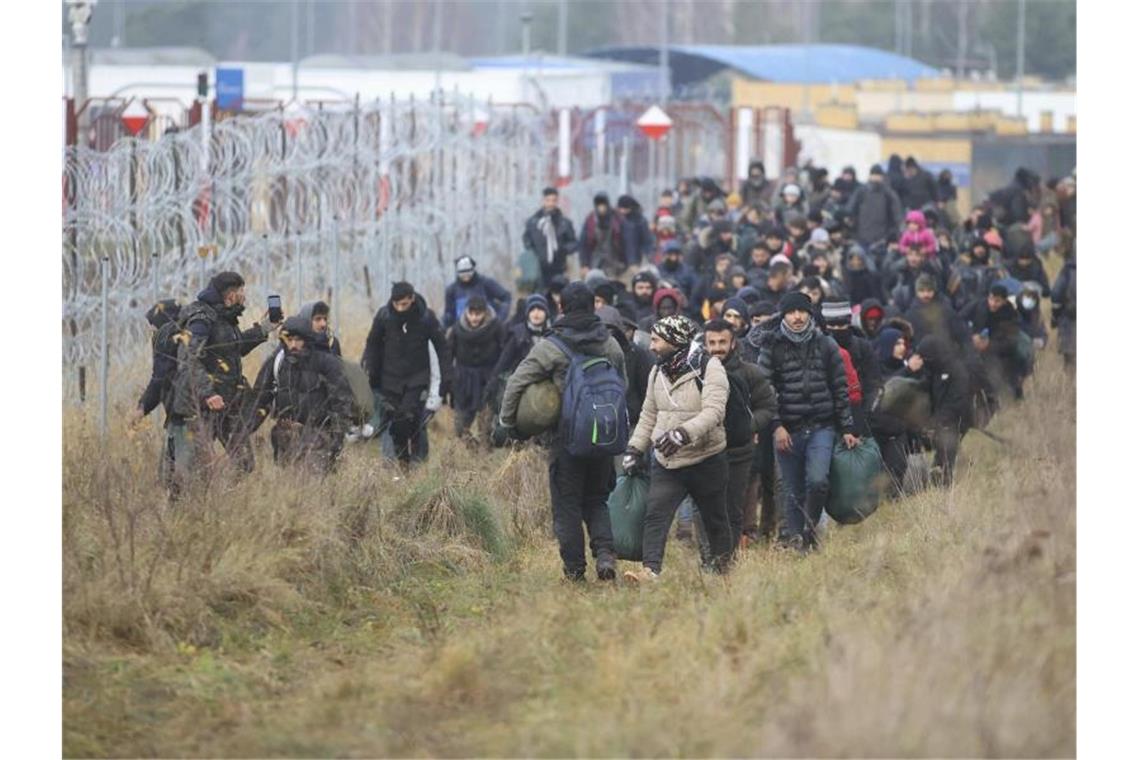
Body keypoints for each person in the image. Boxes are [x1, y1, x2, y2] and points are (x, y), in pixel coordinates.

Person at [495, 282, 626, 582]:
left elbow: (516, 383)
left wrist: (508, 424)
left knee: (567, 506)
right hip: (603, 437)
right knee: (596, 500)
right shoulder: (610, 344)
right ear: (594, 306)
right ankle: (605, 555)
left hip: (566, 441)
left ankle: (575, 571)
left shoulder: (551, 347)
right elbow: (622, 387)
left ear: (561, 307)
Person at [622, 315, 733, 582]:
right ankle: (650, 572)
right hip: (667, 461)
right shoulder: (657, 372)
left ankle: (722, 572)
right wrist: (635, 449)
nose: (652, 346)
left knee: (715, 519)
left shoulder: (711, 368)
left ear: (675, 341)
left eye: (657, 340)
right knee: (656, 514)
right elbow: (649, 414)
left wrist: (684, 433)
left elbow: (715, 411)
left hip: (706, 458)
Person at [756, 292, 858, 552]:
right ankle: (796, 542)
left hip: (821, 426)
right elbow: (764, 390)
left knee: (817, 481)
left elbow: (839, 387)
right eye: (791, 312)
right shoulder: (772, 347)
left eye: (802, 311)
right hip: (787, 429)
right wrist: (776, 426)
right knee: (792, 490)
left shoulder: (825, 344)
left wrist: (847, 427)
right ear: (784, 315)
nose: (797, 317)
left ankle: (810, 530)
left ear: (810, 314)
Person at [169, 272, 278, 489]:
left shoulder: (225, 318)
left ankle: (226, 502)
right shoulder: (202, 319)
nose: (244, 296)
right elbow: (188, 358)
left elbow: (234, 348)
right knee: (195, 471)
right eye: (241, 291)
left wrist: (265, 327)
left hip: (227, 403)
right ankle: (187, 512)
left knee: (244, 462)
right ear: (230, 295)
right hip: (200, 405)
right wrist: (208, 393)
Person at [703, 319, 778, 550]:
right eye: (712, 342)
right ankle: (708, 554)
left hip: (739, 452)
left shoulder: (750, 373)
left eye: (722, 342)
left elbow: (768, 406)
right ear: (705, 345)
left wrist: (748, 425)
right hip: (704, 452)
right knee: (705, 505)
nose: (717, 347)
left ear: (733, 343)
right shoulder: (698, 374)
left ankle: (729, 556)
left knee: (734, 507)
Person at [362, 282, 451, 466]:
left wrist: (445, 380)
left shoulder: (426, 318)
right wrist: (369, 371)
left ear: (411, 299)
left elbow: (442, 348)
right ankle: (393, 462)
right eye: (397, 304)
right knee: (391, 418)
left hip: (417, 378)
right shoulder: (384, 316)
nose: (400, 308)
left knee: (414, 418)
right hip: (390, 378)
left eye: (404, 304)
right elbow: (372, 344)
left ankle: (418, 461)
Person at [252, 316, 355, 473]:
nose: (293, 345)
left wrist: (335, 444)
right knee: (287, 488)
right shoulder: (277, 362)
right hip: (284, 436)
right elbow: (260, 398)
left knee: (311, 484)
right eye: (289, 339)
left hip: (319, 436)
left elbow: (343, 404)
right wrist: (245, 429)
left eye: (298, 340)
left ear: (307, 340)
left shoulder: (328, 363)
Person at [905, 335, 972, 486]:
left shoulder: (957, 371)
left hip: (954, 422)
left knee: (946, 454)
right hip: (935, 419)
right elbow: (922, 388)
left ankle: (944, 483)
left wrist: (937, 422)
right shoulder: (932, 370)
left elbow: (956, 401)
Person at [447, 296, 506, 444]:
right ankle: (473, 449)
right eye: (471, 313)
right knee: (460, 427)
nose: (474, 317)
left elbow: (505, 352)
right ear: (466, 312)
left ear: (485, 313)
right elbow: (448, 355)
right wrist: (450, 379)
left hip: (488, 379)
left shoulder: (497, 327)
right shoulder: (456, 329)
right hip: (463, 380)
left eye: (478, 314)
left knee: (485, 427)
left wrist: (498, 376)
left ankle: (484, 462)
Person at [821, 300, 882, 436]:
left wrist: (864, 414)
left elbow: (873, 383)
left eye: (841, 324)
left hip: (859, 414)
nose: (837, 329)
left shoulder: (863, 347)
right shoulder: (817, 348)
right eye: (832, 325)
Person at [969, 283, 1027, 400]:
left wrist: (988, 345)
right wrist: (971, 336)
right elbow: (958, 319)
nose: (993, 303)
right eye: (991, 299)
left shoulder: (1011, 315)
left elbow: (1011, 344)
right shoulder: (979, 305)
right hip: (978, 351)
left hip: (1003, 356)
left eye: (997, 301)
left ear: (1005, 301)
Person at [523, 186, 578, 289]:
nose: (551, 204)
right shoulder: (533, 222)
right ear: (543, 201)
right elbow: (527, 240)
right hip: (538, 269)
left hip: (559, 267)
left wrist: (563, 249)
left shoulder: (564, 223)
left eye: (554, 200)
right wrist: (534, 253)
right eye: (548, 200)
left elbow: (574, 242)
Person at [442, 256, 511, 330]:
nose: (465, 276)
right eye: (462, 273)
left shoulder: (486, 283)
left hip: (488, 329)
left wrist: (500, 318)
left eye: (468, 272)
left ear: (473, 270)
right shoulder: (451, 290)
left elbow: (506, 297)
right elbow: (449, 313)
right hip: (462, 331)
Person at [848, 164, 904, 249]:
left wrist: (893, 234)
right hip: (862, 237)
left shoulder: (888, 193)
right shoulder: (861, 192)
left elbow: (896, 216)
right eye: (874, 175)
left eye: (878, 175)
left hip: (882, 239)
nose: (876, 178)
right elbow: (851, 211)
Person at [580, 192, 627, 280]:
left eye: (603, 205)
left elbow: (625, 241)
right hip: (595, 260)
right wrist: (584, 264)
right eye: (599, 205)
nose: (601, 208)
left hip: (614, 260)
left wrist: (625, 262)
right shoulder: (590, 220)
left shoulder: (617, 219)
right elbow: (583, 243)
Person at [1050, 253, 1076, 367]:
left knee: (1070, 359)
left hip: (1070, 316)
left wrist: (1056, 313)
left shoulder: (1069, 269)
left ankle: (1069, 382)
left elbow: (1056, 293)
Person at [617, 194, 654, 270]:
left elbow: (647, 241)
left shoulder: (640, 221)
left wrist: (645, 258)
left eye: (623, 208)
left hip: (637, 261)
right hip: (622, 262)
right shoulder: (620, 220)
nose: (621, 211)